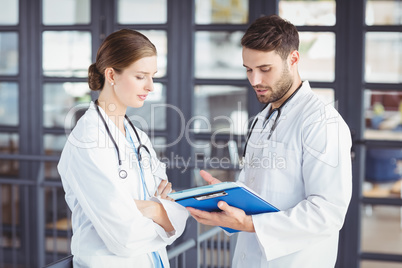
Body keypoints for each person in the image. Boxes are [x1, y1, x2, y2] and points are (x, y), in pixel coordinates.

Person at [186, 15, 352, 267]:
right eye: (249, 70)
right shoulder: (263, 118)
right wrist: (227, 199)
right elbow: (261, 189)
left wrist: (250, 224)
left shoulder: (322, 122)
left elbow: (328, 212)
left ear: (293, 59)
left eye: (265, 69)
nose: (255, 81)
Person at [58, 29, 188, 268]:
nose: (151, 87)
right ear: (112, 75)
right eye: (141, 76)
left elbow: (178, 215)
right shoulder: (88, 139)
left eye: (153, 76)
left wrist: (151, 209)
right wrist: (160, 212)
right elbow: (124, 237)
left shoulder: (137, 136)